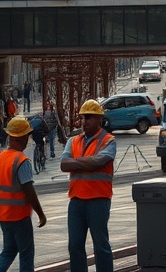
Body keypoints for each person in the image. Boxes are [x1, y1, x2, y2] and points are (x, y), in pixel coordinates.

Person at [60, 99, 117, 272]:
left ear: (99, 118)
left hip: (98, 200)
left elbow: (99, 162)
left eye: (89, 117)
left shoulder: (108, 140)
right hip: (76, 200)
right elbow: (64, 164)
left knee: (101, 245)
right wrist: (88, 162)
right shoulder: (73, 141)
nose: (85, 121)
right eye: (83, 117)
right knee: (74, 245)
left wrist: (76, 162)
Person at [0, 116, 47, 272]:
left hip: (2, 215)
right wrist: (41, 214)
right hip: (19, 217)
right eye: (27, 135)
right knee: (26, 254)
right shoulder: (21, 161)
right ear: (22, 137)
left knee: (8, 251)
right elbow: (29, 191)